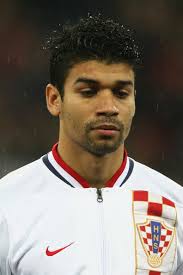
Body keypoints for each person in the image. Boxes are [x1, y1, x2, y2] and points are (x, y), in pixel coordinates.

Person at [0, 14, 182, 275]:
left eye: (121, 93)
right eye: (89, 92)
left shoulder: (174, 205)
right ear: (54, 99)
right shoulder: (7, 206)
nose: (108, 107)